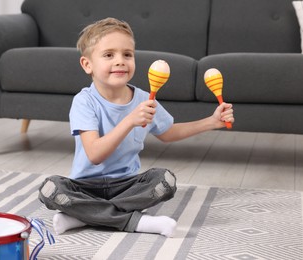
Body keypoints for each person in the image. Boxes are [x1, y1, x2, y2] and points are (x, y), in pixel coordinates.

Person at [38, 17, 234, 237]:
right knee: (50, 188)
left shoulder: (143, 98)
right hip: (85, 186)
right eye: (109, 55)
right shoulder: (84, 101)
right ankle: (137, 222)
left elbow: (169, 133)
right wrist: (129, 120)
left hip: (127, 186)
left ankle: (81, 216)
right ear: (87, 64)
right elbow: (94, 154)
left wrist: (211, 121)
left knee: (165, 180)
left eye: (127, 54)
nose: (120, 61)